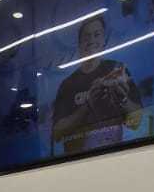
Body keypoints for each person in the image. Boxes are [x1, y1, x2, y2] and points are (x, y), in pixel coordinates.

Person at [51, 16, 142, 155]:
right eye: (86, 36)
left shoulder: (117, 70)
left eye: (97, 34)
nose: (91, 40)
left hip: (115, 157)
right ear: (79, 43)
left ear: (104, 40)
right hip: (78, 161)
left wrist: (122, 99)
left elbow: (136, 122)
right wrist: (88, 105)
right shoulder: (67, 85)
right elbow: (57, 134)